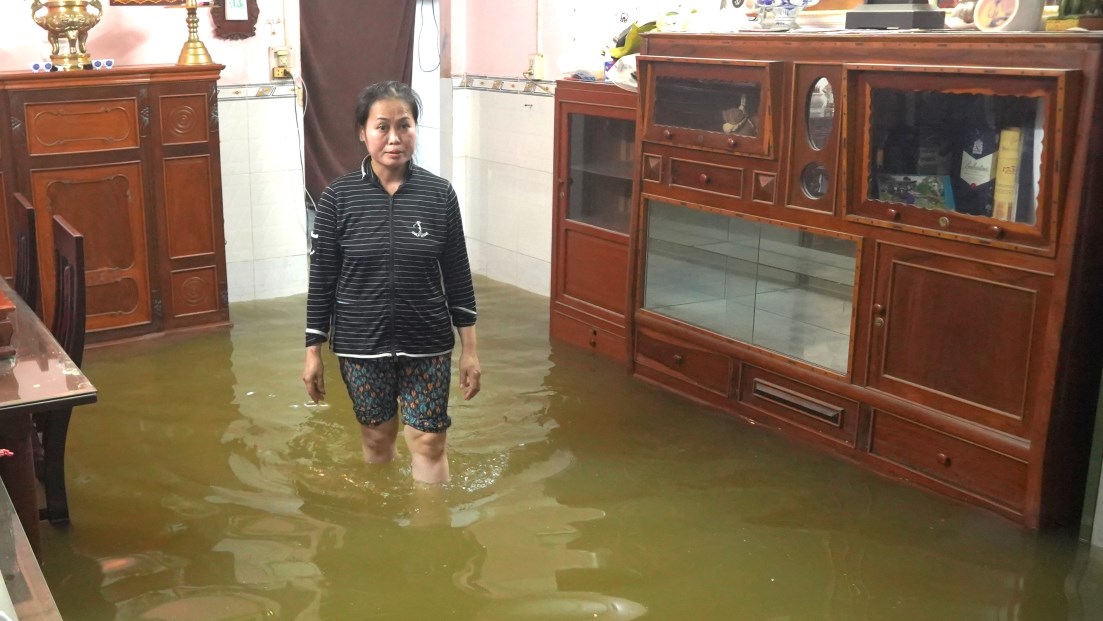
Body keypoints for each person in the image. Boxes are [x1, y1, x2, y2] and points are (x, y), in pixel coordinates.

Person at [301, 80, 480, 484]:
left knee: (430, 442)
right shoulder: (338, 199)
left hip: (428, 342)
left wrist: (470, 350)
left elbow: (458, 275)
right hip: (361, 345)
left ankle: (431, 521)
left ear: (416, 129)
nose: (394, 138)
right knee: (377, 439)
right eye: (382, 127)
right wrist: (313, 352)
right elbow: (322, 282)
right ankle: (380, 515)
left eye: (404, 125)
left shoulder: (439, 195)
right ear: (362, 133)